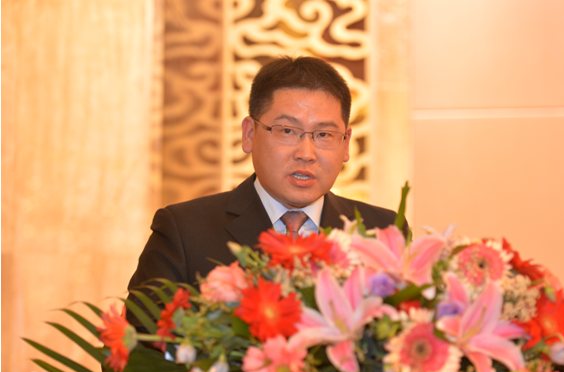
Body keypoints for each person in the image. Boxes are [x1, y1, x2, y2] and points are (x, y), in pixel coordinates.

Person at [127, 55, 400, 297]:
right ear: (249, 134)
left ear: (346, 143)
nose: (306, 154)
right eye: (287, 131)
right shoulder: (184, 232)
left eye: (324, 134)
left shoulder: (382, 233)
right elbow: (142, 338)